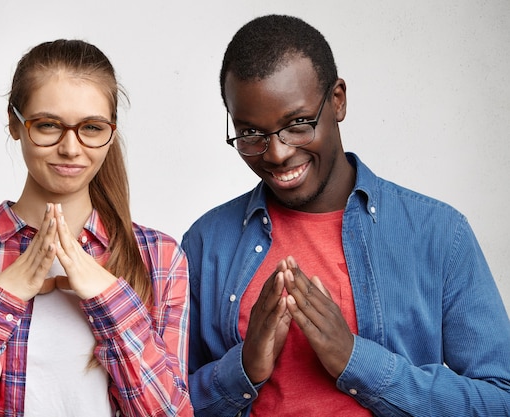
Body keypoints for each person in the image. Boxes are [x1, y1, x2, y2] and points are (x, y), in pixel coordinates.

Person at [182, 14, 510, 417]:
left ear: (337, 100)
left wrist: (355, 361)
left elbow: (500, 398)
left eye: (298, 124)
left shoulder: (440, 234)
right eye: (251, 134)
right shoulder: (206, 243)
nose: (277, 153)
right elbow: (166, 402)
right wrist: (244, 368)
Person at [0, 39, 193, 417]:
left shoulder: (161, 258)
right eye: (48, 125)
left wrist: (109, 301)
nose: (71, 148)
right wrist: (2, 298)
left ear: (111, 131)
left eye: (91, 127)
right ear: (15, 124)